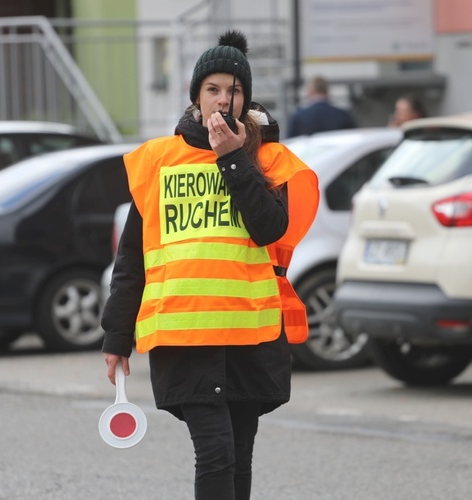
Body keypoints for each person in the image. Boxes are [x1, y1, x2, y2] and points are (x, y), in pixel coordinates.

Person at [101, 29, 319, 500]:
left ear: (246, 98)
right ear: (196, 97)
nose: (223, 101)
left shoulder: (266, 158)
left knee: (240, 454)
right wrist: (117, 336)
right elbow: (132, 258)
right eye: (213, 90)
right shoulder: (159, 161)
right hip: (186, 336)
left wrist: (233, 159)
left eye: (233, 91)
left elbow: (268, 228)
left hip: (250, 333)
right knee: (216, 451)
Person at [286, 75, 356, 137]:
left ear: (310, 92)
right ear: (327, 91)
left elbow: (292, 143)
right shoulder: (343, 115)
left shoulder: (299, 116)